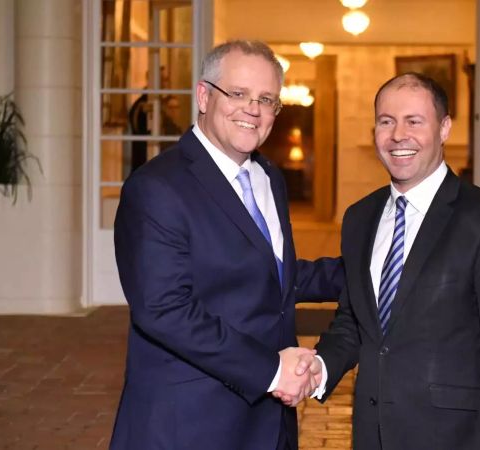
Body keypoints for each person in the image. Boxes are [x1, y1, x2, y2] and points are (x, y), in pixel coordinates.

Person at [110, 40, 343, 450]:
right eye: (238, 93)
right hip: (191, 423)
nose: (252, 109)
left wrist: (368, 271)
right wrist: (271, 370)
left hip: (268, 424)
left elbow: (272, 275)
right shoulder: (157, 187)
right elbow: (164, 310)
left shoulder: (268, 177)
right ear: (204, 96)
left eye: (266, 99)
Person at [299, 73, 480, 449]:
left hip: (455, 437)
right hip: (373, 434)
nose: (398, 135)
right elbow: (356, 320)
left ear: (444, 128)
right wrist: (321, 366)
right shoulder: (360, 217)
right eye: (386, 121)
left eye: (414, 121)